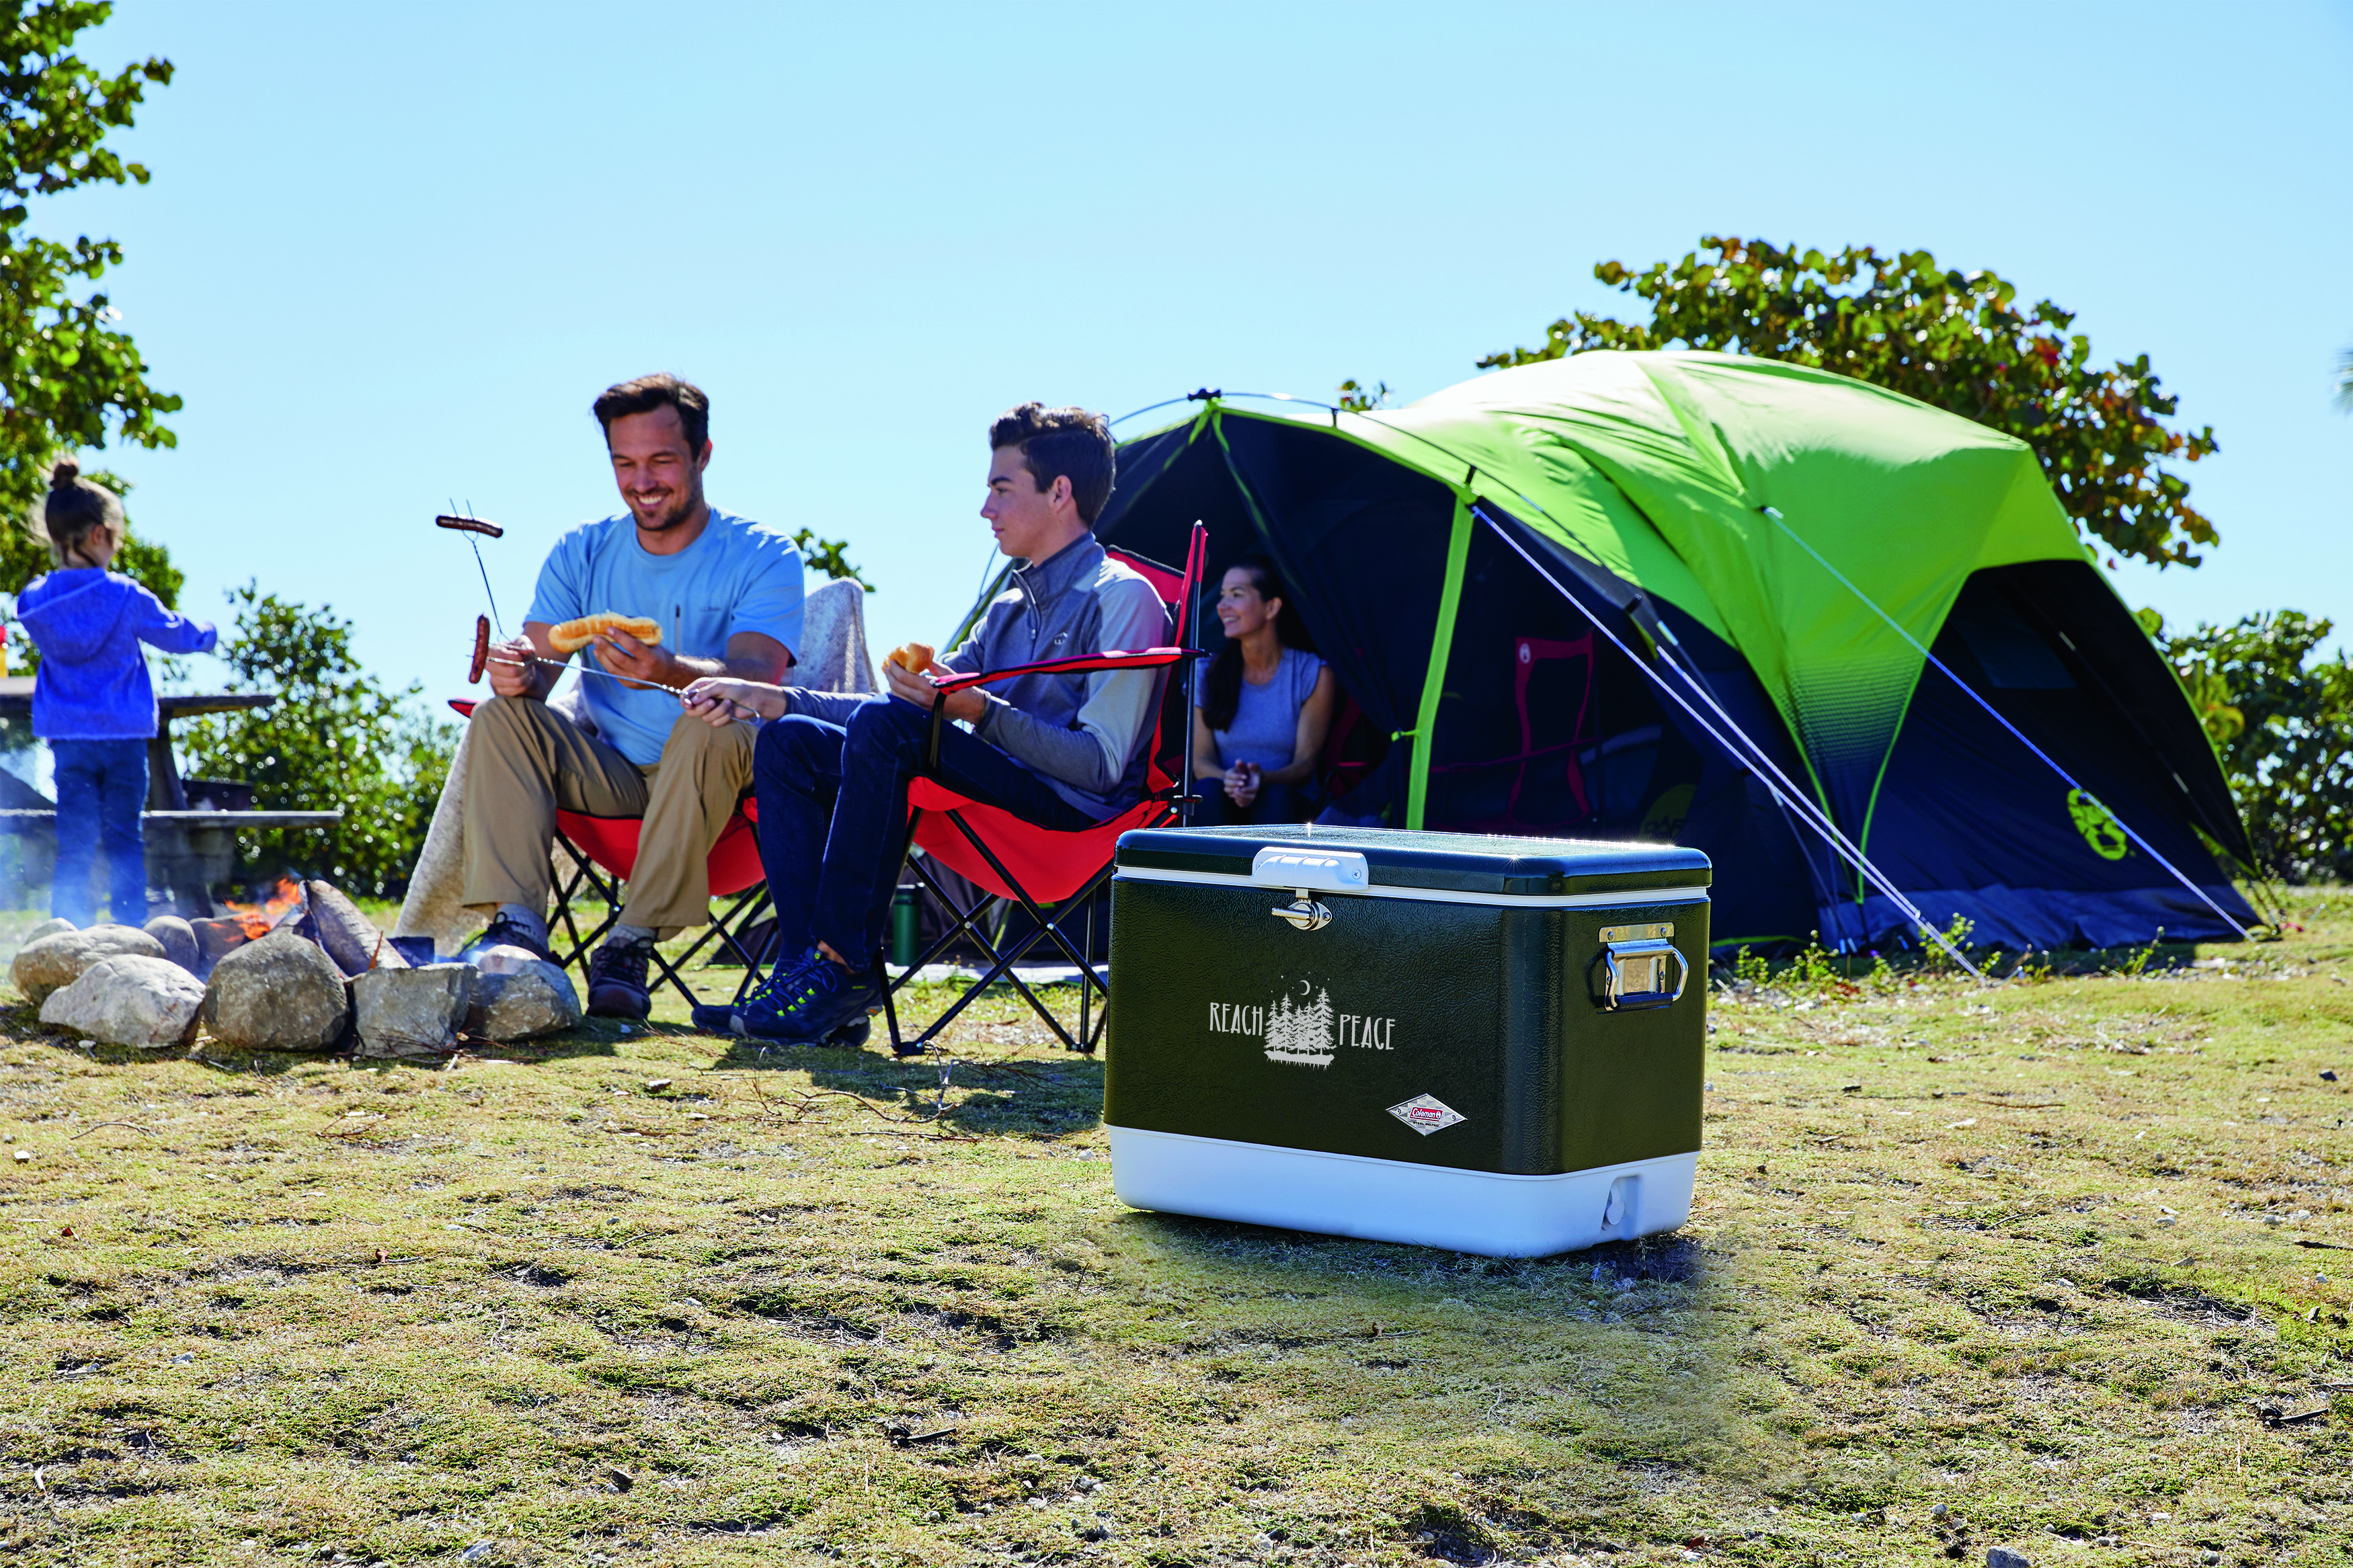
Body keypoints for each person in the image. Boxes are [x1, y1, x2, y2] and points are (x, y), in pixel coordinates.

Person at [675, 402, 1166, 1044]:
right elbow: (894, 714)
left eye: (1001, 488)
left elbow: (1100, 767)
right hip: (994, 796)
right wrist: (771, 697)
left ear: (1060, 493)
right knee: (789, 742)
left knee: (889, 728)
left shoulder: (1122, 596)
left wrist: (979, 711)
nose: (985, 509)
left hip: (1067, 815)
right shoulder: (1009, 609)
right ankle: (804, 975)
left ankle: (843, 968)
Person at [462, 374, 803, 1018]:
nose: (642, 481)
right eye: (624, 463)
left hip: (722, 792)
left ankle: (628, 941)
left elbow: (758, 678)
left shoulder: (764, 553)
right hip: (612, 779)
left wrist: (669, 668)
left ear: (703, 455)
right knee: (501, 717)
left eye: (661, 461)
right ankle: (517, 932)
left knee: (714, 721)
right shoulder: (581, 551)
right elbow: (539, 668)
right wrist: (516, 672)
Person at [16, 460, 218, 927]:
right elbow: (175, 634)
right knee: (125, 838)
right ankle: (130, 932)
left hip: (69, 739)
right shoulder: (125, 596)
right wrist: (208, 633)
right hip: (124, 737)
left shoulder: (35, 601)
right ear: (98, 536)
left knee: (76, 843)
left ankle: (68, 932)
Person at [1190, 555, 1335, 825]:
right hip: (1224, 797)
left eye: (1236, 595)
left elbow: (1305, 764)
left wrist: (1263, 779)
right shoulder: (1205, 671)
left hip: (1286, 805)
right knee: (1206, 792)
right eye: (1222, 595)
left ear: (1271, 608)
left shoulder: (1312, 672)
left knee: (1275, 799)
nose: (1222, 606)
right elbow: (1200, 760)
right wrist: (1231, 780)